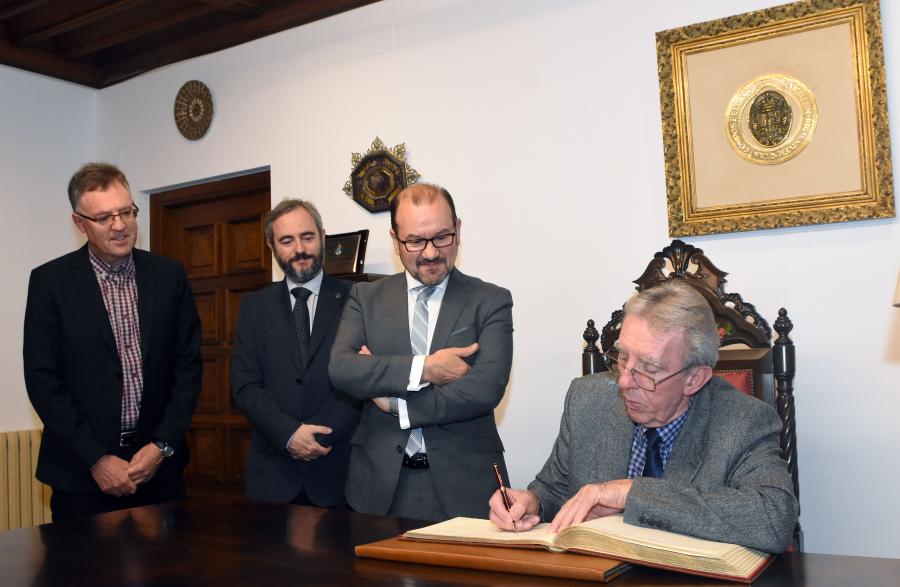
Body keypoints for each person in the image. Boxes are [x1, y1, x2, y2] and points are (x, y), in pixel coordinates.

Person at [489, 281, 799, 553]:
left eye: (648, 368)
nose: (624, 381)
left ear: (694, 378)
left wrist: (633, 493)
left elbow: (774, 518)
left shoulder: (742, 421)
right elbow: (555, 489)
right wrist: (531, 503)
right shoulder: (588, 401)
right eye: (623, 358)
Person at [23, 162, 202, 521]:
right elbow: (43, 381)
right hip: (81, 478)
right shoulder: (50, 283)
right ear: (79, 223)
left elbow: (188, 370)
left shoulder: (169, 276)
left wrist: (161, 447)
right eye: (104, 217)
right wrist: (96, 459)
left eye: (126, 212)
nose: (120, 226)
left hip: (159, 474)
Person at [329, 183, 513, 520]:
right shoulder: (364, 298)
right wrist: (425, 369)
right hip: (377, 487)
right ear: (395, 240)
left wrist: (396, 403)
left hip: (467, 487)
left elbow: (485, 389)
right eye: (415, 241)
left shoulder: (491, 300)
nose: (430, 253)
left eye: (441, 237)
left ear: (457, 230)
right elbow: (342, 368)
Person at [231, 199, 359, 506]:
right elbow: (245, 386)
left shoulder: (357, 299)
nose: (299, 249)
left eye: (307, 237)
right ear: (271, 246)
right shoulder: (253, 307)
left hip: (339, 473)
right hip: (272, 476)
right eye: (287, 241)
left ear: (323, 237)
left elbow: (361, 379)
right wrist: (289, 434)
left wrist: (317, 436)